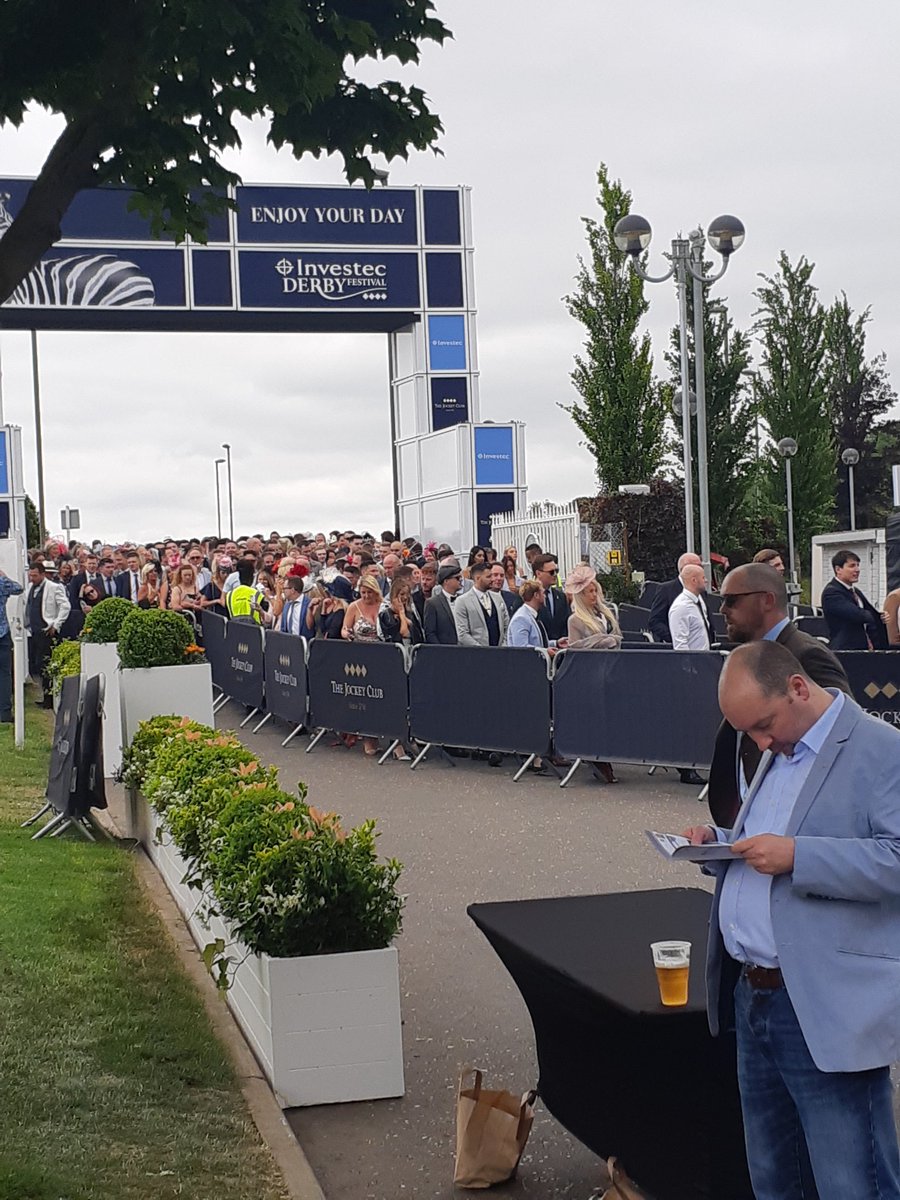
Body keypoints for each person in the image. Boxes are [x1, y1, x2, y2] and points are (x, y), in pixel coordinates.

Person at [682, 641, 900, 1200]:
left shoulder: (882, 749)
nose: (760, 743)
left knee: (854, 1182)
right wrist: (723, 847)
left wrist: (799, 856)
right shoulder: (784, 744)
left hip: (822, 1003)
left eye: (762, 725)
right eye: (747, 733)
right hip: (753, 998)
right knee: (776, 1179)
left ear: (798, 688)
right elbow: (772, 839)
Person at [707, 562, 851, 826]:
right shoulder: (751, 656)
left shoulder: (808, 655)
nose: (723, 610)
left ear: (767, 600)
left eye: (731, 600)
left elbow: (842, 738)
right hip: (752, 819)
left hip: (792, 829)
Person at [24, 562, 70, 708]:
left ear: (43, 574)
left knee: (45, 665)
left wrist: (56, 624)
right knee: (37, 665)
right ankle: (45, 695)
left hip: (47, 631)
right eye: (30, 575)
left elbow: (65, 606)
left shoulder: (54, 587)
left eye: (35, 575)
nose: (32, 578)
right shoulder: (30, 587)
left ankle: (49, 698)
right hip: (33, 632)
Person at [821, 548, 888, 650]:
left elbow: (869, 614)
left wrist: (880, 617)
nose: (857, 570)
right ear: (838, 569)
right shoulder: (831, 593)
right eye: (852, 566)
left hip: (866, 649)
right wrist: (875, 617)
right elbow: (857, 615)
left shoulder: (855, 591)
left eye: (858, 565)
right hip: (847, 651)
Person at [647, 552, 706, 642]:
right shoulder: (666, 590)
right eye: (698, 566)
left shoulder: (701, 591)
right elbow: (655, 620)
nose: (701, 569)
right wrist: (674, 637)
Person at [453, 561, 509, 647]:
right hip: (475, 655)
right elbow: (462, 634)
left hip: (500, 653)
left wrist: (503, 646)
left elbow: (506, 625)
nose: (492, 579)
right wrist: (482, 651)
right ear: (477, 578)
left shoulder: (498, 598)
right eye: (488, 577)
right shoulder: (462, 601)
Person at [565, 564, 621, 649]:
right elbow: (574, 648)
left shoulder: (606, 613)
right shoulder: (574, 620)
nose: (594, 594)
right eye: (591, 591)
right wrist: (601, 640)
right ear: (581, 596)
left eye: (595, 590)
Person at [668, 563, 712, 650]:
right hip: (694, 661)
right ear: (694, 580)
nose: (706, 580)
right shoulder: (681, 607)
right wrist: (689, 662)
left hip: (705, 658)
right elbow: (680, 644)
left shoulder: (699, 600)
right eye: (703, 578)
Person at [0, 566, 24, 723]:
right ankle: (4, 713)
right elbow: (19, 588)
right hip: (2, 633)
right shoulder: (2, 583)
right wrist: (4, 576)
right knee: (5, 674)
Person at [532, 554, 570, 646]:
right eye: (551, 572)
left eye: (556, 571)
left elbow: (566, 623)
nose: (555, 575)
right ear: (538, 573)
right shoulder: (528, 597)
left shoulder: (561, 597)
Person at [379, 577, 424, 647]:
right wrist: (402, 614)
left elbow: (419, 636)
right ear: (394, 596)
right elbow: (404, 632)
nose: (405, 597)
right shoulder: (386, 615)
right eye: (402, 594)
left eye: (407, 594)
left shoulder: (410, 614)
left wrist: (409, 621)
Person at [424, 563, 461, 645]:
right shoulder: (432, 603)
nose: (460, 580)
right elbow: (430, 633)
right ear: (446, 581)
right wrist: (441, 651)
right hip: (445, 651)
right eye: (457, 578)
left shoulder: (463, 600)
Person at [507, 580, 549, 649]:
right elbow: (521, 648)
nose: (545, 596)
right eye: (543, 593)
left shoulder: (531, 615)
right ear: (536, 595)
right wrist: (545, 651)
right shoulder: (521, 618)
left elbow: (537, 642)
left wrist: (555, 643)